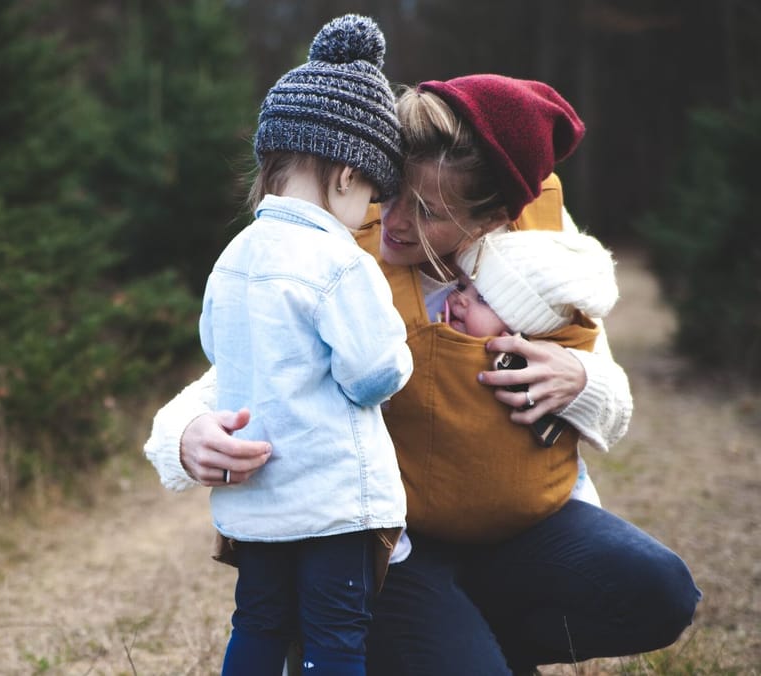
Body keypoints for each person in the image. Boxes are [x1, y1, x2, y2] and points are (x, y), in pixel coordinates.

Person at [144, 73, 701, 674]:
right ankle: (393, 635)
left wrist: (581, 380)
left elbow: (613, 400)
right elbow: (240, 365)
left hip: (518, 530)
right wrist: (183, 436)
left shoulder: (543, 261)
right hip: (393, 546)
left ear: (492, 219)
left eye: (430, 211)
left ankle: (471, 641)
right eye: (393, 194)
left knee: (661, 591)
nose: (397, 223)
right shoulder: (340, 249)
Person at [200, 15, 412, 675]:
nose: (370, 213)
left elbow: (217, 349)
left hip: (257, 499)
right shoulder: (338, 260)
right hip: (333, 503)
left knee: (259, 623)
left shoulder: (234, 256)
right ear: (349, 175)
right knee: (335, 640)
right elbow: (375, 370)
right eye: (374, 193)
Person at [395, 227, 619, 543]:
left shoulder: (544, 359)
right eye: (461, 287)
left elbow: (612, 413)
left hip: (544, 512)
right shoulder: (424, 331)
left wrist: (584, 380)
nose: (458, 300)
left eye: (482, 299)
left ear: (521, 330)